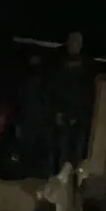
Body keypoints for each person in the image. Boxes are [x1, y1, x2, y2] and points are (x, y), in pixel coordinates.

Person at [43, 30, 97, 173]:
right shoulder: (56, 64)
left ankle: (70, 186)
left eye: (77, 42)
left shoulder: (88, 66)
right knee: (59, 155)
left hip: (79, 119)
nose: (74, 45)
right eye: (72, 41)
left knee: (75, 158)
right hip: (61, 117)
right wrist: (56, 113)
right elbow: (49, 92)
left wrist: (78, 115)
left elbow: (88, 95)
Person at [15, 53, 51, 178]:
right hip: (29, 123)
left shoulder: (42, 80)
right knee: (28, 154)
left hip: (37, 123)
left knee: (35, 155)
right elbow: (20, 102)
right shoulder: (27, 80)